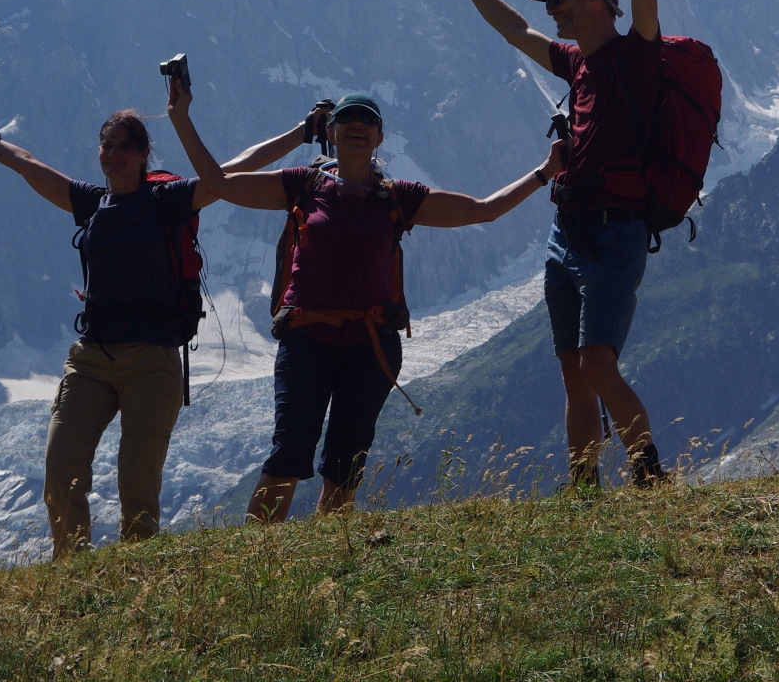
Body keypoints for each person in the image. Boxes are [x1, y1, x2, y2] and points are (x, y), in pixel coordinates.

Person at [167, 85, 563, 522]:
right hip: (308, 342)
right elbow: (218, 184)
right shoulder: (304, 184)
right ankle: (254, 562)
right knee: (289, 452)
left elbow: (484, 209)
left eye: (368, 120)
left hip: (370, 347)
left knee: (345, 464)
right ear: (331, 132)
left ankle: (327, 561)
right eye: (348, 118)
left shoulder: (399, 195)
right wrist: (180, 117)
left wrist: (546, 172)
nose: (358, 125)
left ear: (379, 137)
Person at [0, 97, 311, 555]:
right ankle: (71, 575)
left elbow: (237, 169)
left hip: (152, 362)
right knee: (61, 470)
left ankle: (133, 585)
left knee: (137, 488)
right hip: (90, 359)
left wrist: (301, 133)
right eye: (106, 145)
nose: (112, 154)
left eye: (123, 146)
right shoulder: (91, 201)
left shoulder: (169, 201)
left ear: (144, 154)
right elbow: (27, 164)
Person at [438, 0, 669, 489]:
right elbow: (514, 30)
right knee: (574, 369)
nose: (551, 10)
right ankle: (583, 490)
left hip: (614, 233)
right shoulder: (575, 64)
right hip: (565, 233)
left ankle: (650, 476)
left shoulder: (637, 55)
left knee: (598, 361)